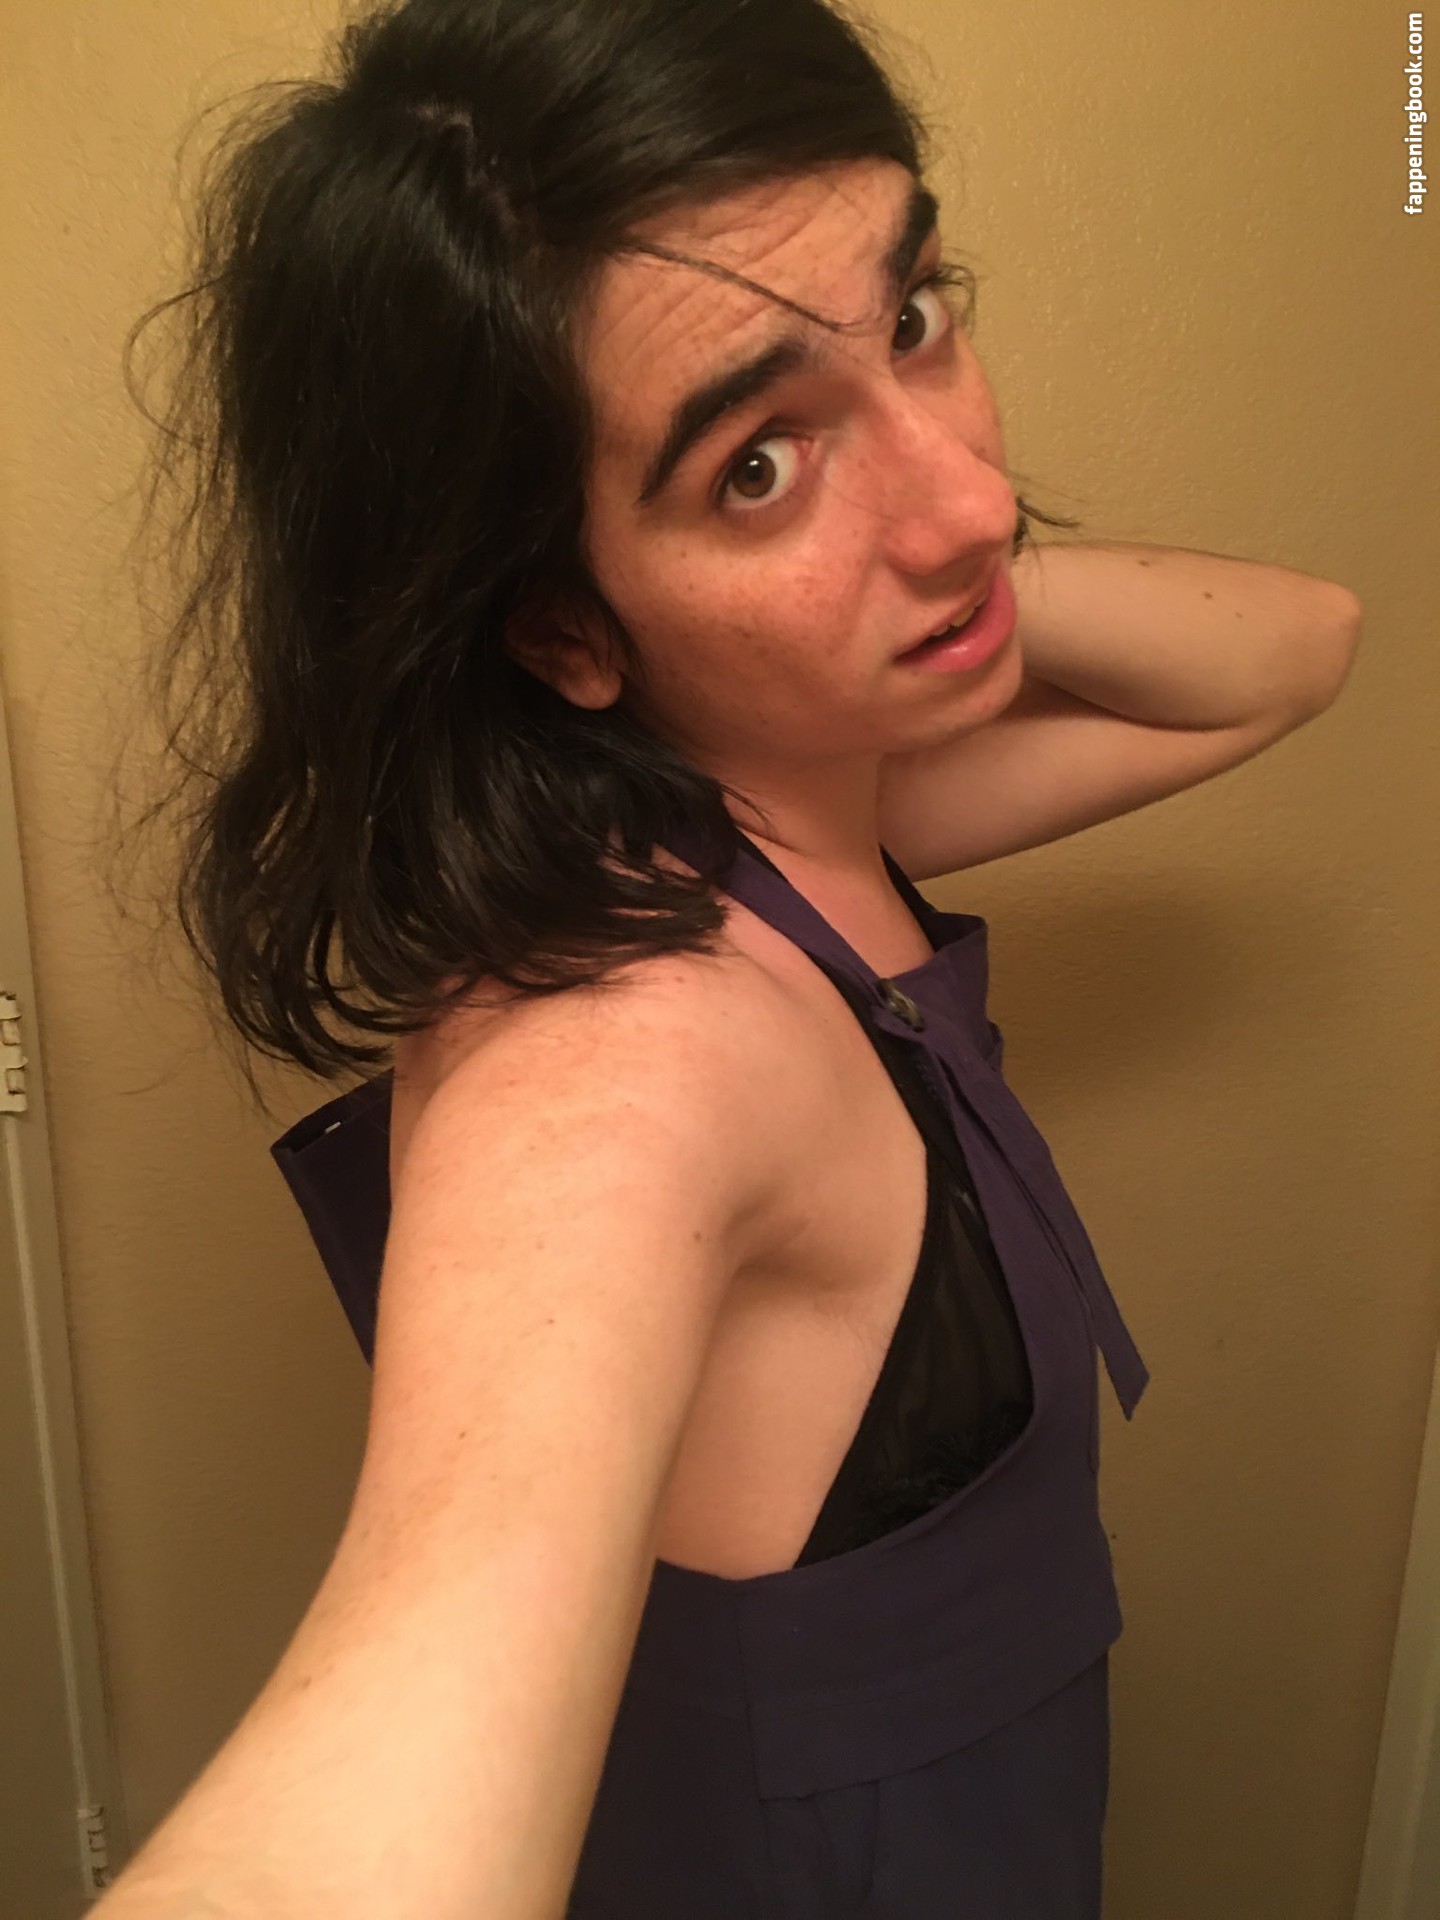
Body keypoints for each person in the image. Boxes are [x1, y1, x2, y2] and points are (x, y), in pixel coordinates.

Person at [99, 0, 1362, 1915]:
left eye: (914, 316)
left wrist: (918, 567)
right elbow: (397, 1762)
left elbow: (1296, 649)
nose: (975, 497)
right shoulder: (624, 1049)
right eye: (756, 467)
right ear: (558, 627)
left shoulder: (805, 813)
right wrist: (923, 555)